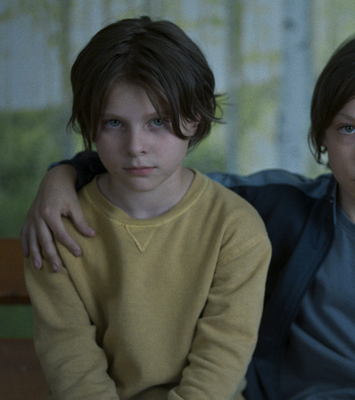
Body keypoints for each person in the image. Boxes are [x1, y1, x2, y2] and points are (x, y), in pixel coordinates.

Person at [22, 31, 355, 399]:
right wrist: (64, 174)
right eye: (349, 129)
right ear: (322, 134)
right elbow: (160, 179)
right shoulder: (279, 206)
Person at [22, 15, 271, 400]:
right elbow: (68, 355)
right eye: (113, 123)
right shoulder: (57, 224)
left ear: (195, 118)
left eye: (158, 121)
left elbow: (222, 359)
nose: (136, 146)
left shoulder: (235, 228)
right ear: (89, 123)